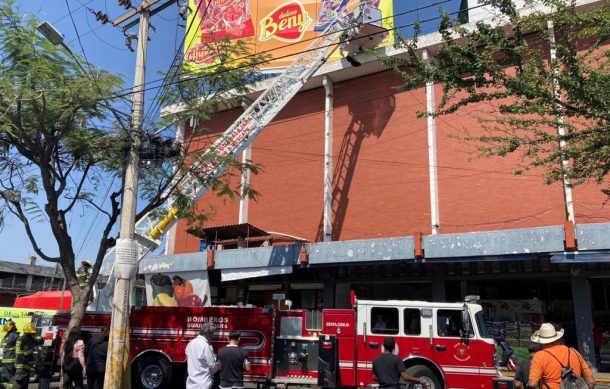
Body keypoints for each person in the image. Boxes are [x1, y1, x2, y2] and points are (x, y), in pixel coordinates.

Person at [527, 323, 595, 389]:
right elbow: (591, 381)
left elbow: (532, 384)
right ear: (557, 338)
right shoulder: (573, 351)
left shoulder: (539, 356)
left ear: (541, 341)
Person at [186, 323, 220, 389]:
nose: (212, 336)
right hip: (203, 383)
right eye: (212, 334)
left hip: (190, 384)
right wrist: (219, 365)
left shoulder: (190, 343)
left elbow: (188, 359)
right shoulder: (205, 345)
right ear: (207, 333)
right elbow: (212, 365)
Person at [11, 323, 42, 389]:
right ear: (30, 333)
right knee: (19, 384)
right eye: (33, 333)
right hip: (23, 365)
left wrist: (40, 339)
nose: (34, 334)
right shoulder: (27, 339)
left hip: (20, 364)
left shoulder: (22, 338)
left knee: (23, 384)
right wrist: (33, 363)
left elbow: (34, 342)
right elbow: (27, 353)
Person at [1, 321, 19, 387]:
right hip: (12, 360)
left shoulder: (5, 337)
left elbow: (2, 345)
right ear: (12, 327)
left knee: (5, 377)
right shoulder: (15, 336)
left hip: (5, 360)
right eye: (14, 326)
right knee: (12, 377)